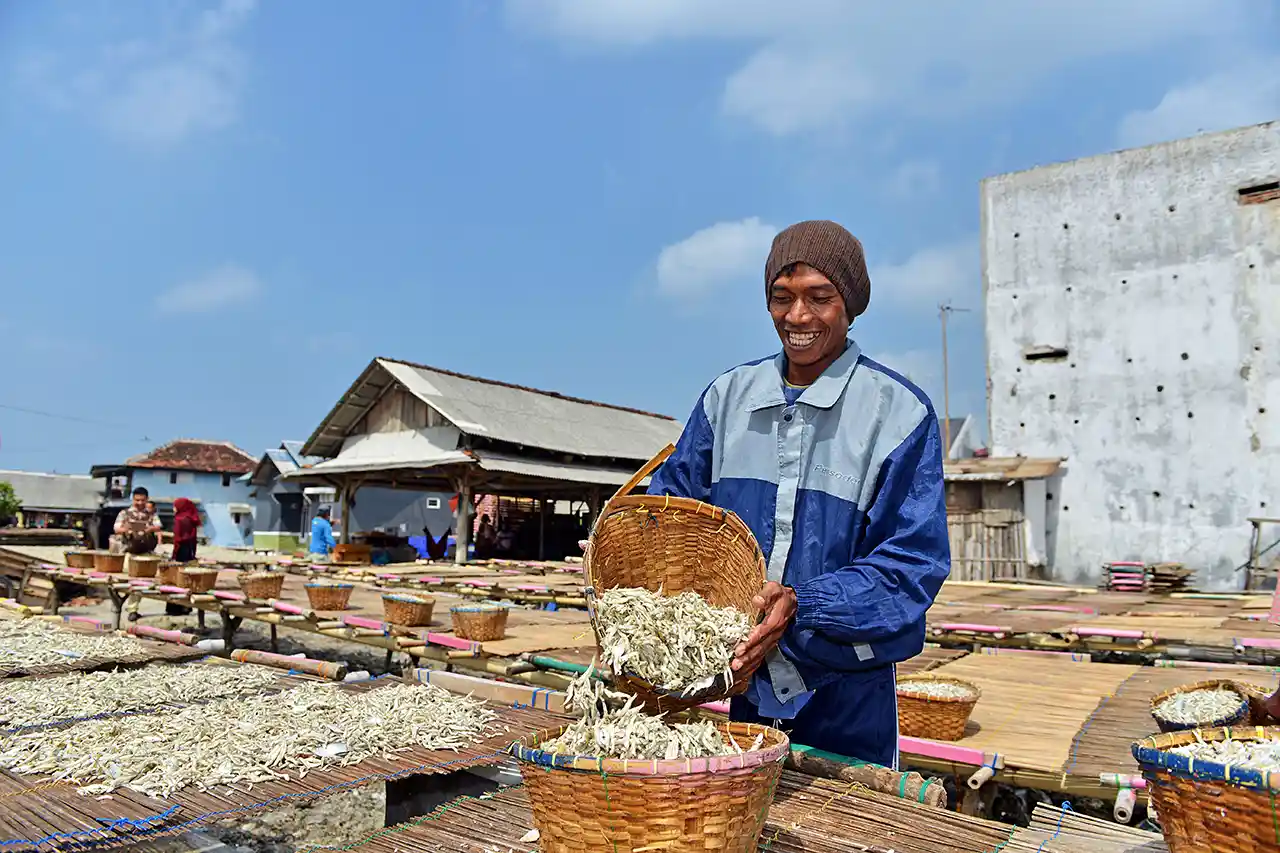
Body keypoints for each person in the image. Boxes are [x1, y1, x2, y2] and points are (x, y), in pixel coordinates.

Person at [646, 220, 951, 767]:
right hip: (739, 683)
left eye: (820, 297)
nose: (798, 317)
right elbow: (674, 517)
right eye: (781, 298)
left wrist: (801, 604)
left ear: (851, 305)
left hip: (848, 690)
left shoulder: (899, 413)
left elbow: (910, 564)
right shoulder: (727, 398)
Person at [111, 487, 162, 555]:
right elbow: (116, 529)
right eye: (137, 500)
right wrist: (127, 529)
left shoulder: (151, 514)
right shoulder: (124, 513)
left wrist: (150, 529)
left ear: (147, 499)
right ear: (133, 499)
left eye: (142, 500)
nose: (140, 503)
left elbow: (158, 527)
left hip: (147, 552)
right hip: (128, 551)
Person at [172, 498, 201, 563]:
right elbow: (193, 537)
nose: (173, 508)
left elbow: (177, 538)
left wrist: (174, 554)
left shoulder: (179, 519)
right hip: (189, 547)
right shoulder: (190, 518)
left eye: (175, 506)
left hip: (180, 548)